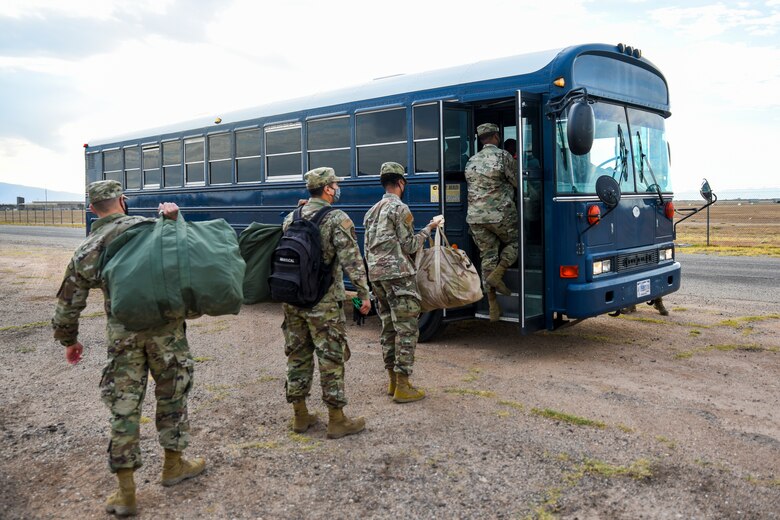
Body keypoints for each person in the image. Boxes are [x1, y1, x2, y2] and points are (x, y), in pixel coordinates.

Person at [52, 180, 204, 518]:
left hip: (123, 338)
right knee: (172, 396)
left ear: (92, 209)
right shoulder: (151, 228)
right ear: (123, 201)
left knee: (124, 407)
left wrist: (70, 341)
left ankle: (126, 492)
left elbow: (67, 304)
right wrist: (174, 220)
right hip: (167, 333)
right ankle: (173, 465)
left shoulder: (88, 247)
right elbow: (188, 254)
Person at [281, 167, 371, 439]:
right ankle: (337, 419)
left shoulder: (291, 216)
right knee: (331, 358)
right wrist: (363, 295)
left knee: (297, 355)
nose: (337, 188)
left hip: (293, 300)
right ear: (328, 189)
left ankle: (300, 416)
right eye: (335, 184)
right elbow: (352, 261)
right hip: (323, 303)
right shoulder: (336, 218)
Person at [363, 162, 441, 403]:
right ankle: (404, 386)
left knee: (387, 328)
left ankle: (392, 381)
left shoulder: (372, 210)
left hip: (376, 276)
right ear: (400, 183)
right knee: (407, 329)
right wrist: (430, 228)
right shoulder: (400, 208)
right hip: (398, 276)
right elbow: (409, 245)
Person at [464, 123, 519, 321]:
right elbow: (516, 181)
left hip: (475, 218)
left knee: (487, 256)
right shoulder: (503, 156)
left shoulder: (471, 161)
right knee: (517, 241)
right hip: (499, 215)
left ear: (481, 139)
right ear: (496, 136)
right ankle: (499, 272)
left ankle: (493, 305)